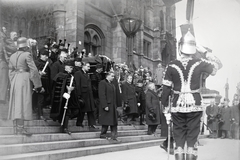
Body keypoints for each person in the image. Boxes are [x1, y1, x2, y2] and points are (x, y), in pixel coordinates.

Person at [161, 31, 222, 160]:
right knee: (192, 140)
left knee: (179, 139)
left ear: (180, 48)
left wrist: (165, 108)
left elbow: (165, 90)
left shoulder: (171, 65)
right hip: (195, 106)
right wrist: (205, 52)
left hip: (177, 107)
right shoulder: (199, 63)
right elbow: (218, 65)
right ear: (193, 49)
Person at [8, 37, 43, 135]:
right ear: (25, 47)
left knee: (16, 103)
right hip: (24, 79)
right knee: (23, 102)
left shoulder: (12, 56)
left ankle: (16, 127)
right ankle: (20, 128)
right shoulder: (27, 55)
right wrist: (37, 84)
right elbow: (34, 70)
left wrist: (13, 81)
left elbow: (10, 71)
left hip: (15, 79)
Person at [50, 58, 81, 134]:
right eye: (70, 67)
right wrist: (65, 91)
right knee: (65, 111)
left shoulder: (71, 76)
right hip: (62, 98)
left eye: (72, 67)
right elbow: (55, 87)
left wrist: (72, 89)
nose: (71, 69)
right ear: (65, 67)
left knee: (69, 111)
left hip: (70, 97)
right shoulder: (60, 75)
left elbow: (74, 86)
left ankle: (64, 126)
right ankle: (64, 127)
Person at [98, 71, 120, 142]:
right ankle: (103, 134)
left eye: (114, 76)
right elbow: (102, 95)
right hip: (107, 105)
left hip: (112, 106)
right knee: (106, 121)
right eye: (112, 76)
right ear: (107, 76)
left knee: (113, 122)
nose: (113, 78)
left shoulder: (112, 84)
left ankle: (114, 136)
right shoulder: (103, 83)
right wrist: (105, 105)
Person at [74, 62, 97, 129]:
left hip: (89, 95)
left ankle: (92, 124)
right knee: (82, 110)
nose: (89, 68)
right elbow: (77, 84)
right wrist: (78, 95)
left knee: (91, 110)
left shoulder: (87, 74)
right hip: (83, 95)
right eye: (88, 66)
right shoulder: (78, 73)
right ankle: (79, 123)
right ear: (83, 66)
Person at [33, 50, 51, 120]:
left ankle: (37, 110)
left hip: (45, 83)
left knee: (44, 99)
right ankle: (40, 114)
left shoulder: (47, 63)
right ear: (41, 55)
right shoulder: (37, 62)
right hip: (39, 83)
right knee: (40, 99)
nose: (46, 57)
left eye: (47, 56)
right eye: (45, 55)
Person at [0, 26, 9, 104]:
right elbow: (4, 52)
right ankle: (2, 98)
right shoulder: (3, 42)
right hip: (2, 62)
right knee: (3, 80)